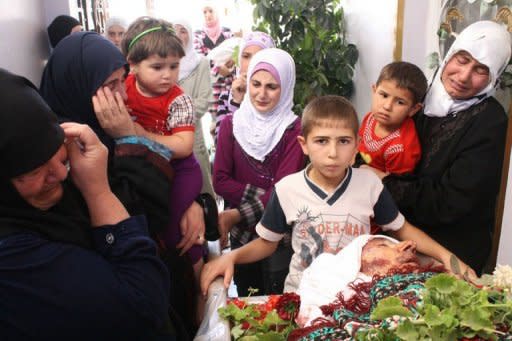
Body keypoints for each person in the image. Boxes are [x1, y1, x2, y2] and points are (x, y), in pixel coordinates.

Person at [201, 95, 473, 297]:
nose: (333, 153)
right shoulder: (287, 189)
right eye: (321, 141)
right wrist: (231, 258)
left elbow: (402, 230)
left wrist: (450, 259)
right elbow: (267, 243)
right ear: (303, 145)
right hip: (301, 296)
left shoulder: (369, 185)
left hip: (357, 296)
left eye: (343, 141)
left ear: (356, 146)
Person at [39, 31, 205, 338]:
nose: (125, 96)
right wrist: (127, 137)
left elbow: (175, 163)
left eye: (122, 81)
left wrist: (191, 202)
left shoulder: (104, 131)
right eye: (110, 85)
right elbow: (143, 211)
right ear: (80, 85)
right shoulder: (61, 151)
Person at [0, 69, 172, 339]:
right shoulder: (12, 256)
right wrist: (98, 192)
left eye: (56, 151)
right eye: (33, 170)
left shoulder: (62, 183)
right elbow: (144, 304)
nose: (61, 174)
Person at [375, 21, 512, 274]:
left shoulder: (490, 121)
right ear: (448, 55)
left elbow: (452, 204)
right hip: (398, 232)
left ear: (494, 77)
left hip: (449, 248)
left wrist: (384, 182)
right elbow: (377, 143)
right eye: (462, 60)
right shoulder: (419, 97)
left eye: (481, 69)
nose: (463, 76)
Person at [212, 48, 305, 295]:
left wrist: (235, 214)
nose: (261, 94)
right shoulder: (231, 124)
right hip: (242, 235)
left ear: (286, 87)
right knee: (247, 296)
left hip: (279, 237)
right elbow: (220, 181)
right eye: (256, 84)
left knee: (279, 301)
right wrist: (267, 192)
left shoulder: (294, 131)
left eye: (272, 87)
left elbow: (282, 192)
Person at [121, 17, 206, 276]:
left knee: (177, 232)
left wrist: (140, 134)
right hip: (150, 171)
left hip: (182, 171)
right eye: (157, 67)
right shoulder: (123, 89)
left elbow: (183, 146)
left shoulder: (179, 100)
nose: (168, 75)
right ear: (133, 65)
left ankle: (199, 290)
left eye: (174, 66)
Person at [296, 234, 441, 327]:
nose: (410, 244)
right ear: (353, 263)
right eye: (383, 245)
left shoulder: (431, 288)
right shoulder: (326, 293)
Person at [357, 61, 427, 175]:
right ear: (374, 91)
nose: (387, 106)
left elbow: (395, 186)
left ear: (413, 109)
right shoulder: (371, 117)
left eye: (400, 102)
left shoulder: (401, 148)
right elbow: (359, 143)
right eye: (384, 95)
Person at [174, 18, 215, 199]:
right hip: (166, 141)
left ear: (190, 35)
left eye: (183, 31)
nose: (178, 36)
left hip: (193, 136)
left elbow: (203, 101)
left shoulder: (200, 63)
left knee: (201, 189)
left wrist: (173, 117)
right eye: (174, 31)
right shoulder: (164, 64)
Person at [214, 31, 275, 138]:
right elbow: (221, 145)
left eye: (258, 57)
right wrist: (236, 102)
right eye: (246, 56)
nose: (251, 62)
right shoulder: (226, 97)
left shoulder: (275, 96)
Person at [193, 1, 235, 140]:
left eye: (210, 11)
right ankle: (219, 154)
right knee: (217, 125)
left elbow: (237, 54)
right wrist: (218, 69)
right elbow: (199, 60)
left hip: (230, 84)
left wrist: (230, 67)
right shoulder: (198, 36)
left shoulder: (228, 33)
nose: (208, 15)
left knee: (233, 120)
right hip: (213, 89)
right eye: (204, 12)